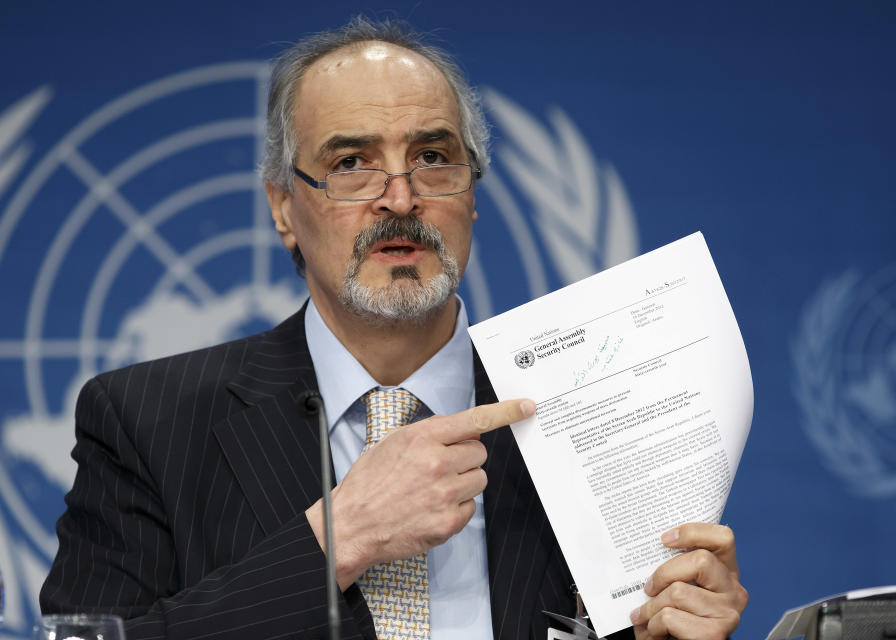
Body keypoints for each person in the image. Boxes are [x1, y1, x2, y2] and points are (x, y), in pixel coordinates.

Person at [40, 17, 747, 640]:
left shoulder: (587, 413)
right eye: (352, 164)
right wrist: (336, 541)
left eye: (434, 158)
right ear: (284, 207)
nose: (401, 197)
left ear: (472, 195)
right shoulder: (146, 422)